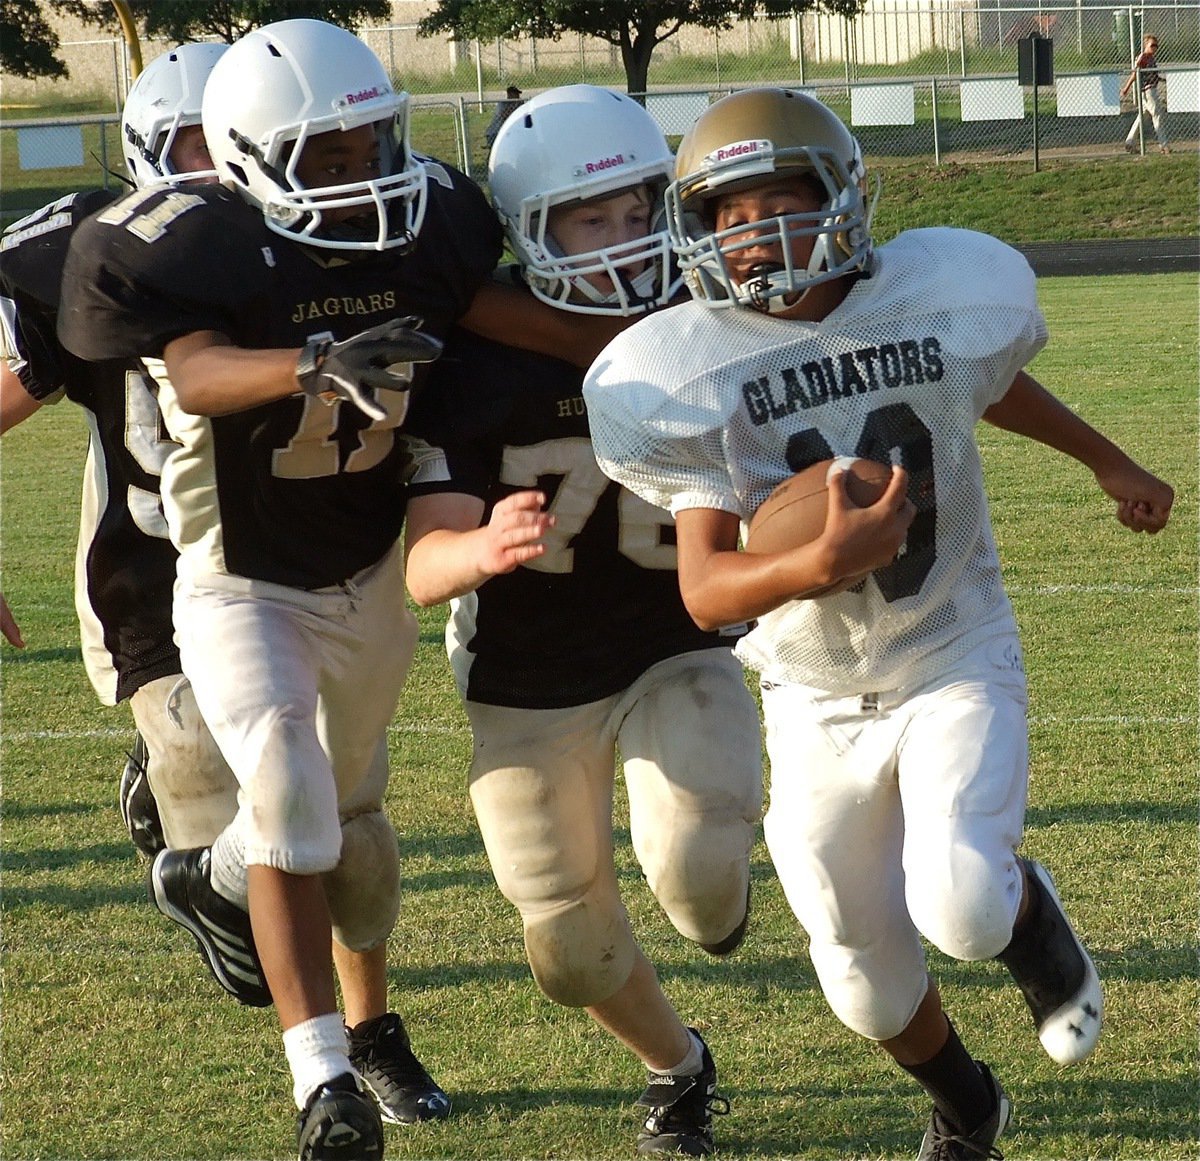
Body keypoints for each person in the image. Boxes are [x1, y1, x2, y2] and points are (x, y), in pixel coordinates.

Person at [583, 88, 1174, 1160]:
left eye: (779, 200)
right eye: (728, 212)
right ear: (697, 230)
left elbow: (976, 384)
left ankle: (1029, 919)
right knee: (859, 975)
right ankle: (966, 1104)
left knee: (961, 906)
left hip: (951, 648)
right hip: (811, 694)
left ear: (845, 199)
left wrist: (1103, 455)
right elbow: (708, 591)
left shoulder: (936, 293)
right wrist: (816, 561)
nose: (754, 231)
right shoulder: (686, 365)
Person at [57, 19, 508, 1158]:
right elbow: (201, 377)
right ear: (245, 158)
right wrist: (313, 362)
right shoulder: (197, 246)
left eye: (372, 143)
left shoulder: (429, 229)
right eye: (328, 156)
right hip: (239, 582)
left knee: (348, 837)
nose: (361, 173)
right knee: (294, 795)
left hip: (369, 583)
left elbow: (491, 320)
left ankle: (208, 874)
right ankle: (327, 1086)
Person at [402, 84, 762, 1156]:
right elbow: (425, 562)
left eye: (636, 207)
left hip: (674, 646)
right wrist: (482, 548)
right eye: (587, 220)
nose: (619, 239)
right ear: (533, 231)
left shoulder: (714, 320)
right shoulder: (470, 362)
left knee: (700, 880)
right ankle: (678, 1064)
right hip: (525, 677)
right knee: (567, 955)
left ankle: (720, 899)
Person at [1, 43, 233, 859]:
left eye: (238, 136)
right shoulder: (90, 260)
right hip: (156, 566)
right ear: (148, 153)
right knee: (204, 778)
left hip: (301, 565)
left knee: (340, 822)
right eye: (196, 144)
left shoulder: (323, 252)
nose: (221, 168)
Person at [1121, 34, 1170, 153]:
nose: (1155, 48)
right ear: (1146, 45)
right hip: (1148, 91)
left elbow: (1154, 76)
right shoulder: (1143, 57)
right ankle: (1163, 144)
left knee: (1142, 117)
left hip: (1151, 89)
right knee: (1157, 115)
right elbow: (1135, 74)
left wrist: (1166, 81)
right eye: (1152, 45)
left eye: (1156, 46)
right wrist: (1126, 88)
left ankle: (1130, 141)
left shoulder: (1151, 58)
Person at [484, 83, 525, 148]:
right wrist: (516, 106)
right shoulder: (502, 104)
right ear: (510, 94)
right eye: (516, 94)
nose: (518, 96)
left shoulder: (517, 104)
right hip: (494, 132)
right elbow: (504, 116)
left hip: (506, 133)